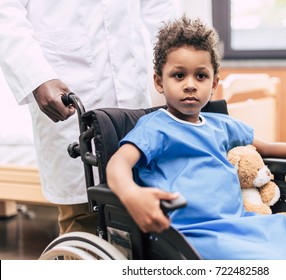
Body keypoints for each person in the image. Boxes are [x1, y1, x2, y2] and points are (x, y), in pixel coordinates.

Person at [106, 15, 286, 259]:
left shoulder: (221, 125)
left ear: (214, 84)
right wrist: (130, 194)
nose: (190, 85)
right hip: (193, 234)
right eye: (179, 75)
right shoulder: (155, 127)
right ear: (159, 82)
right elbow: (119, 163)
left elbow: (266, 148)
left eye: (200, 76)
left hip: (243, 224)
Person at [0, 0, 176, 235]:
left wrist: (178, 62)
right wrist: (37, 77)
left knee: (141, 215)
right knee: (82, 218)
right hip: (68, 86)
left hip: (130, 84)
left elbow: (158, 7)